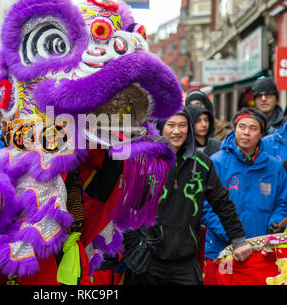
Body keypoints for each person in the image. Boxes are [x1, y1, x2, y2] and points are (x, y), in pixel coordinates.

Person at [123, 109, 252, 285]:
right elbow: (126, 206)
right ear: (161, 128)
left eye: (182, 125)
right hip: (148, 261)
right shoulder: (144, 161)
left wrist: (238, 239)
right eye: (171, 125)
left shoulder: (202, 163)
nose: (177, 131)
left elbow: (222, 203)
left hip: (185, 261)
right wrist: (133, 246)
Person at [202, 107, 287, 284]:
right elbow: (205, 207)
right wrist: (232, 236)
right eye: (241, 127)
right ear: (235, 129)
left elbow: (282, 203)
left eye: (253, 128)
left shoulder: (274, 168)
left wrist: (275, 224)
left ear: (261, 134)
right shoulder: (216, 162)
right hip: (223, 250)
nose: (246, 133)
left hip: (261, 251)